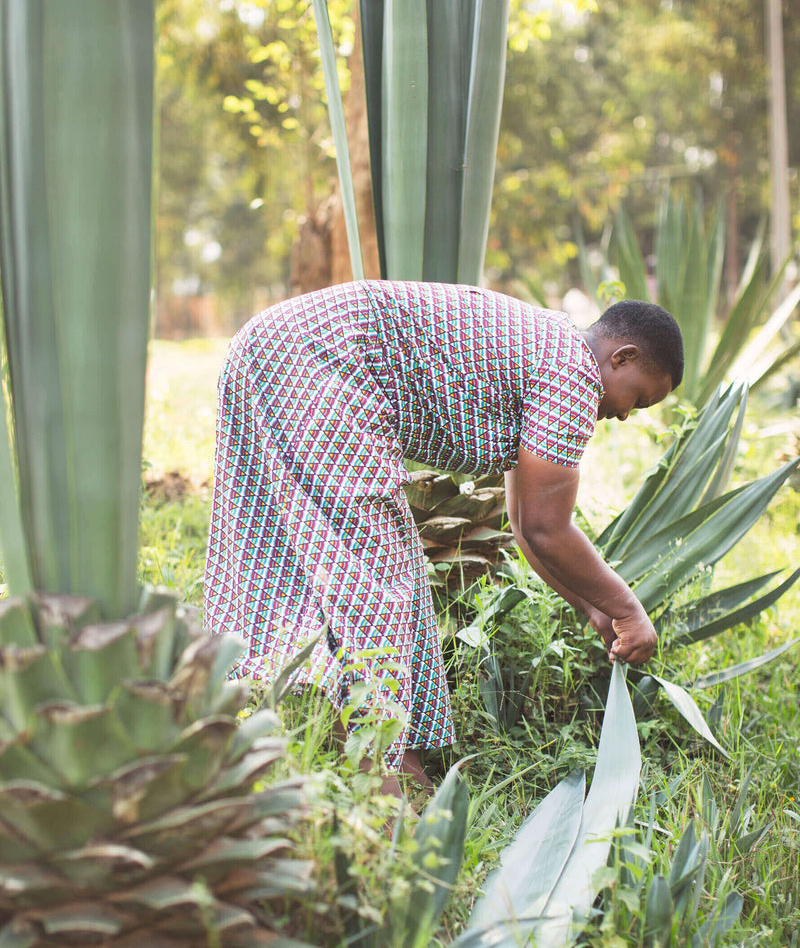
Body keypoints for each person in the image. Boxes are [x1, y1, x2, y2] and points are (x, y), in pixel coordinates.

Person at [204, 280, 683, 795]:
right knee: (375, 588)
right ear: (622, 356)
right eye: (638, 397)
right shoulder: (573, 375)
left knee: (378, 573)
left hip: (278, 348)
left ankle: (384, 760)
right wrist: (629, 610)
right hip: (318, 362)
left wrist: (592, 606)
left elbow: (525, 527)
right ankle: (377, 788)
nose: (627, 414)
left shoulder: (556, 350)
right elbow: (549, 526)